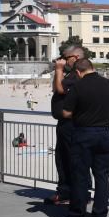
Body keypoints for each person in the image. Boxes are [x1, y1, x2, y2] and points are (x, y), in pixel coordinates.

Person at [61, 58, 109, 217]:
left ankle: (76, 215)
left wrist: (80, 114)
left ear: (78, 72)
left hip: (83, 134)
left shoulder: (78, 87)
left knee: (80, 176)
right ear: (92, 68)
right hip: (104, 134)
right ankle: (99, 215)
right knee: (102, 177)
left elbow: (65, 112)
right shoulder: (108, 84)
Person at [45, 45, 83, 205]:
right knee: (62, 158)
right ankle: (66, 190)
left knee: (70, 159)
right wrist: (59, 71)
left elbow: (60, 90)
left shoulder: (77, 76)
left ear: (76, 57)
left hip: (71, 124)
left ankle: (73, 193)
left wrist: (59, 69)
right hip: (64, 124)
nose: (63, 60)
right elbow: (56, 88)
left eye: (66, 58)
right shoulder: (71, 75)